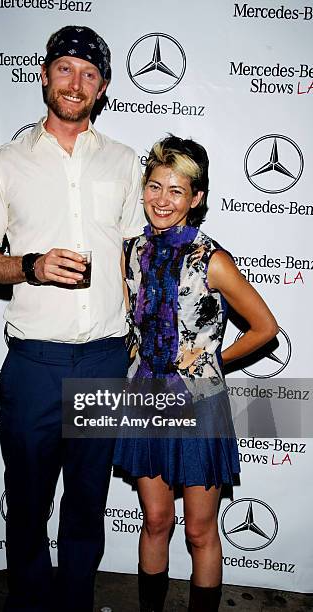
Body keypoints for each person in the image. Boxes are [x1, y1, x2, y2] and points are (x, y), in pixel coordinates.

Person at [0, 25, 145, 612]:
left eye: (89, 74)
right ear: (44, 74)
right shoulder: (5, 162)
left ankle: (74, 602)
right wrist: (32, 266)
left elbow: (136, 260)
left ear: (103, 87)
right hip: (34, 363)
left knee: (88, 501)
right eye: (65, 69)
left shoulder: (123, 161)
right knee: (28, 500)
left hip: (102, 359)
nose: (76, 83)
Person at [113, 135, 279, 612]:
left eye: (177, 190)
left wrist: (213, 362)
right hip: (145, 400)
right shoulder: (130, 252)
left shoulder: (212, 259)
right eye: (154, 186)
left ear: (196, 198)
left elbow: (265, 328)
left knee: (200, 530)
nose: (162, 200)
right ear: (143, 189)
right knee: (156, 520)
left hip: (199, 405)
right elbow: (130, 327)